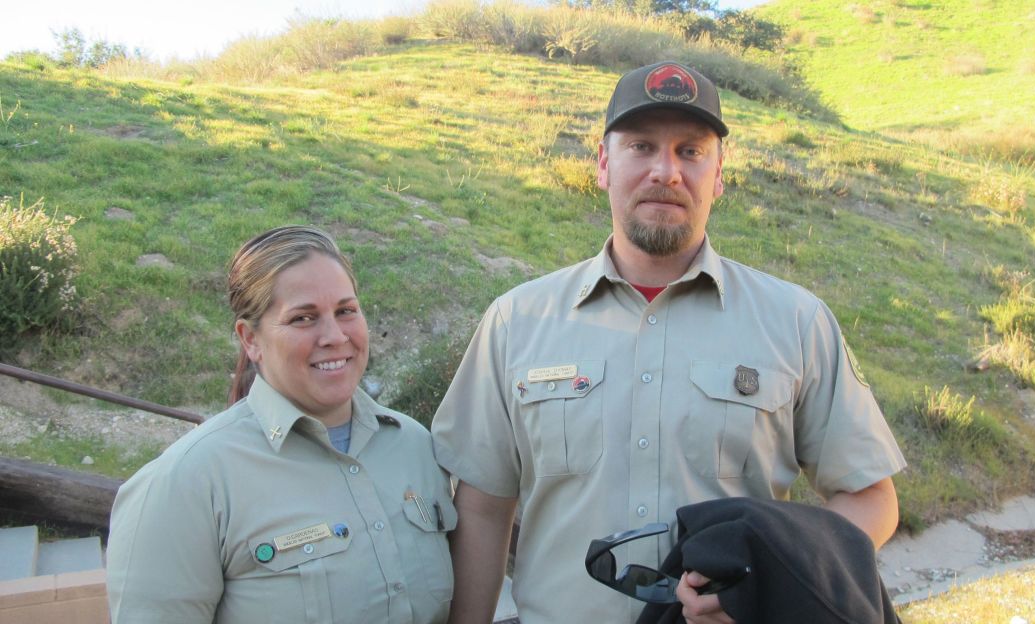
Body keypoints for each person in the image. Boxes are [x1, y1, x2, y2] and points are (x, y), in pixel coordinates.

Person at [431, 61, 906, 624]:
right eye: (641, 146)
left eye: (691, 151)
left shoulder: (797, 322)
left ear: (719, 174)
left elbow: (872, 499)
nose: (666, 171)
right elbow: (483, 509)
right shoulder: (517, 321)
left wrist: (774, 579)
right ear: (604, 164)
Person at [107, 225, 456, 623]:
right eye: (303, 318)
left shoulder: (414, 446)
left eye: (346, 311)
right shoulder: (185, 484)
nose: (335, 336)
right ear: (250, 339)